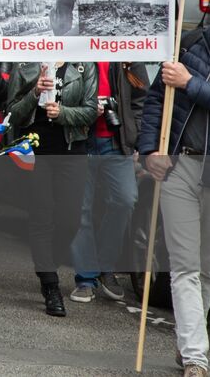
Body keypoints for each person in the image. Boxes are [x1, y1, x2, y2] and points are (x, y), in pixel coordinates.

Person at [139, 0, 210, 377]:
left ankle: (191, 340)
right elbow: (157, 100)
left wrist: (189, 83)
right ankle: (195, 356)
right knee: (185, 264)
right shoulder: (189, 45)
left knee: (209, 266)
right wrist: (150, 149)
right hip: (180, 165)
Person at [1, 60, 97, 317]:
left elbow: (90, 111)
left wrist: (63, 113)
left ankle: (48, 264)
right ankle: (50, 284)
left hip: (71, 150)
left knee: (70, 220)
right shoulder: (25, 65)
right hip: (36, 151)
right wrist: (34, 94)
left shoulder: (83, 65)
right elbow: (12, 114)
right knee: (41, 216)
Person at [70, 60, 144, 303]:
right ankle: (85, 276)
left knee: (125, 199)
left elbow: (142, 99)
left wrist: (136, 136)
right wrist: (86, 108)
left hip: (116, 141)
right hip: (80, 138)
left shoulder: (129, 52)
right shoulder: (75, 46)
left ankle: (105, 266)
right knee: (81, 208)